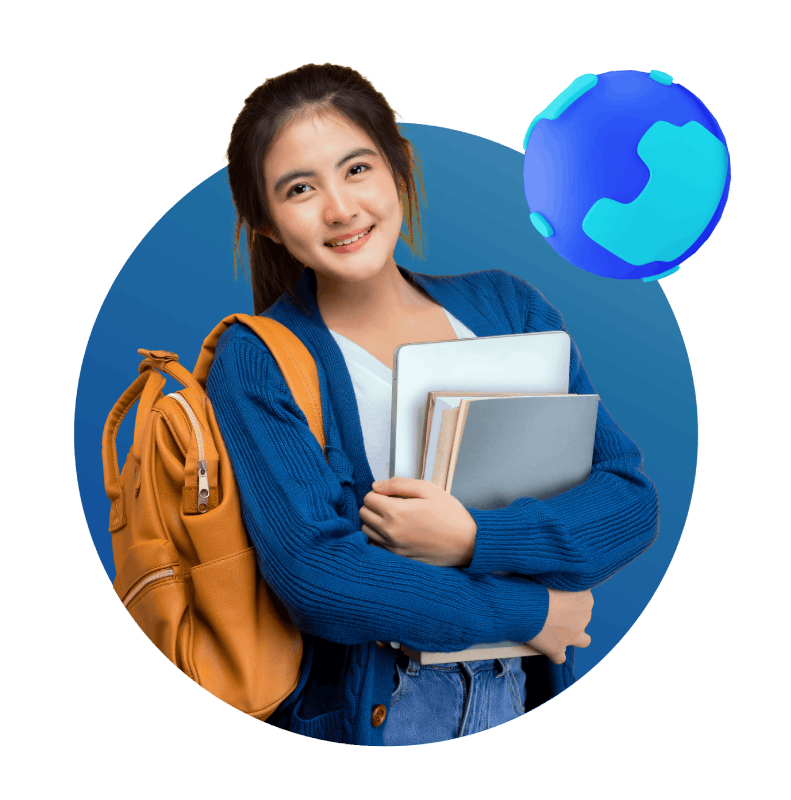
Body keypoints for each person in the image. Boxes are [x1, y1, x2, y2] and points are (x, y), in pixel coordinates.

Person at [207, 62, 659, 746]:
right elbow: (319, 576)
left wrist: (474, 537)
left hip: (525, 687)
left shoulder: (507, 305)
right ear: (265, 222)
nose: (339, 207)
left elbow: (626, 500)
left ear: (399, 168)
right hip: (387, 710)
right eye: (299, 189)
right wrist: (530, 609)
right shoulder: (258, 358)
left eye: (356, 168)